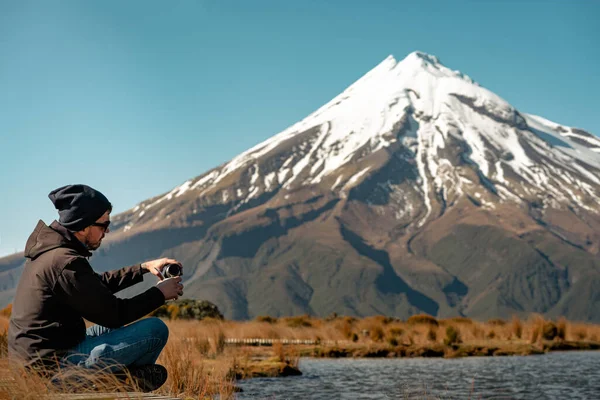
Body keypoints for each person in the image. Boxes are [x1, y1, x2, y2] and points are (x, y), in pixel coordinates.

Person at [8, 184, 184, 392]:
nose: (107, 230)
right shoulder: (64, 262)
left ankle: (120, 380)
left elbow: (95, 286)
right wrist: (159, 294)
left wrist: (143, 268)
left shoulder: (54, 254)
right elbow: (114, 314)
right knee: (155, 330)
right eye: (103, 224)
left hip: (42, 359)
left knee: (111, 330)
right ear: (83, 226)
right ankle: (116, 383)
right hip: (50, 371)